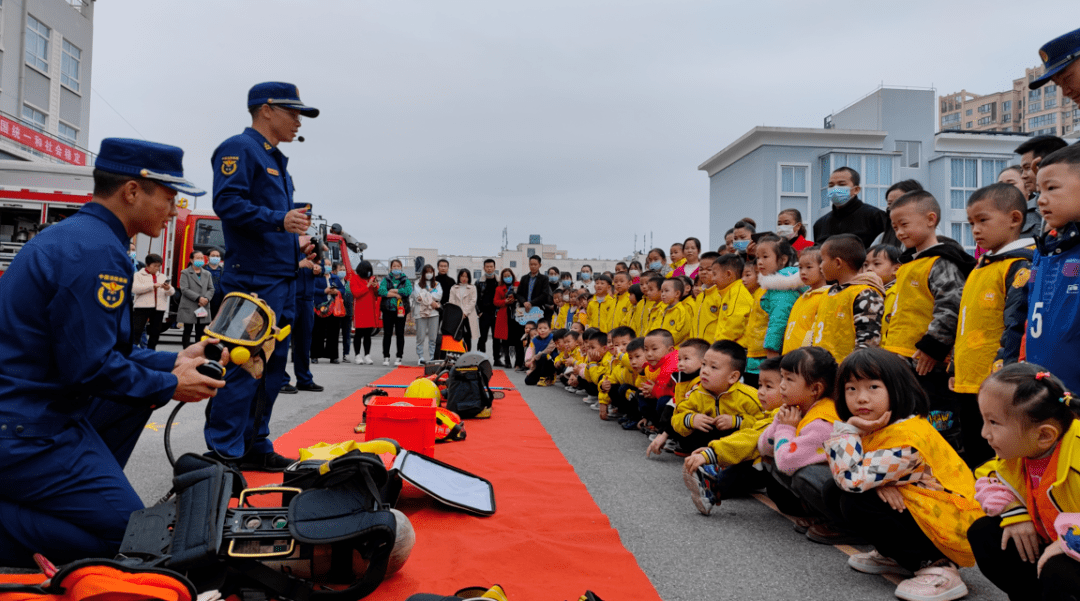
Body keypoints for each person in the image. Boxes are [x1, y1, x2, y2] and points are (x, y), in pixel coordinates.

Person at [0, 138, 224, 567]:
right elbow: (90, 368)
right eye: (170, 196)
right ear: (133, 191)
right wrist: (173, 383)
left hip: (33, 413)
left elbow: (103, 351)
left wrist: (175, 361)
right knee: (131, 538)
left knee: (144, 394)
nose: (174, 209)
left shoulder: (81, 238)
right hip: (28, 430)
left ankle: (73, 493)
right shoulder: (95, 253)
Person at [207, 81, 317, 470]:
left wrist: (295, 245)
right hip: (252, 279)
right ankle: (223, 450)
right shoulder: (240, 149)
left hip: (279, 278)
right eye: (293, 113)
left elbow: (268, 224)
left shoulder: (273, 158)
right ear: (266, 109)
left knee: (271, 369)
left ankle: (254, 443)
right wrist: (279, 219)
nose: (298, 122)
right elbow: (227, 203)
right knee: (242, 364)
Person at [829, 348, 983, 601]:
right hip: (927, 509)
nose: (861, 398)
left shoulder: (908, 438)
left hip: (952, 524)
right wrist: (878, 483)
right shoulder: (882, 426)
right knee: (836, 491)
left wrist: (847, 429)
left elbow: (850, 479)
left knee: (854, 499)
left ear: (897, 387)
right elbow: (845, 473)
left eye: (873, 387)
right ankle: (895, 554)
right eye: (851, 389)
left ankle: (937, 566)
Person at [968, 364, 1080, 600]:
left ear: (1044, 435)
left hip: (1070, 549)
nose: (984, 433)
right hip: (1054, 541)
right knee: (986, 534)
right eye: (984, 420)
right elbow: (985, 477)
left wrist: (1069, 541)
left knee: (1059, 570)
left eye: (994, 423)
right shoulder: (1020, 453)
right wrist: (1014, 511)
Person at [883, 191, 976, 453]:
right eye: (895, 227)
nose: (899, 232)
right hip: (902, 358)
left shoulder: (941, 261)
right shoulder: (910, 264)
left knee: (940, 422)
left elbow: (951, 304)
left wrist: (933, 346)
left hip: (929, 362)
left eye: (905, 224)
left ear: (930, 219)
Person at [952, 183, 1034, 467]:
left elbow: (1015, 322)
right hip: (967, 379)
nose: (975, 229)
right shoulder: (981, 266)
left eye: (983, 220)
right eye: (971, 222)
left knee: (998, 454)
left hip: (995, 380)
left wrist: (1003, 370)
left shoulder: (1020, 264)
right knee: (973, 452)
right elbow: (966, 321)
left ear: (1014, 219)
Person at [758, 347, 848, 544]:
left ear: (815, 389)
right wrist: (780, 421)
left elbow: (785, 462)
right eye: (781, 377)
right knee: (773, 458)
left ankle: (846, 525)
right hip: (837, 486)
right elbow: (764, 447)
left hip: (852, 494)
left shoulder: (823, 422)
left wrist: (785, 428)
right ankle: (824, 515)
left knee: (803, 475)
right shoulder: (802, 409)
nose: (781, 386)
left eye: (789, 380)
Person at [683, 355, 783, 516]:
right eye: (760, 385)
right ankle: (717, 473)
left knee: (746, 456)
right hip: (765, 464)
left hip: (776, 472)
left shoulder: (782, 412)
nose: (761, 392)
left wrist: (712, 452)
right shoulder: (698, 391)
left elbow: (753, 435)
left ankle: (714, 488)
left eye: (768, 387)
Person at [1026, 144, 1080, 394]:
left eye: (1052, 188)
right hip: (1048, 394)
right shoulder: (1044, 250)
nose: (1041, 200)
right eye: (1038, 191)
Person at [664, 340, 760, 456]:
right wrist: (692, 419)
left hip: (737, 448)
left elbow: (764, 423)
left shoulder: (749, 396)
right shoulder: (697, 393)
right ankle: (706, 457)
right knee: (695, 424)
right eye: (704, 364)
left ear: (733, 377)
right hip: (708, 442)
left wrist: (736, 422)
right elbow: (677, 417)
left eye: (713, 367)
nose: (704, 371)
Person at [811, 234, 884, 363]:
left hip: (848, 371)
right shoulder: (828, 293)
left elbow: (868, 342)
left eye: (822, 260)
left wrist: (854, 369)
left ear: (838, 262)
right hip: (822, 371)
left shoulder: (865, 293)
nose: (820, 266)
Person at [813, 167, 889, 249]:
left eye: (841, 184)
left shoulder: (875, 216)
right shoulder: (820, 224)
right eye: (831, 185)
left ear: (856, 189)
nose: (835, 189)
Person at [754, 236, 802, 364]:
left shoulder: (782, 288)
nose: (759, 262)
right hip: (757, 353)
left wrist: (772, 352)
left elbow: (778, 322)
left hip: (769, 355)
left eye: (765, 257)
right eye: (757, 257)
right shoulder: (768, 286)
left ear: (783, 259)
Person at [285, 236, 322, 392]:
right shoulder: (288, 244)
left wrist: (318, 270)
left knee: (304, 342)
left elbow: (322, 267)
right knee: (283, 342)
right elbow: (279, 268)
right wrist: (297, 265)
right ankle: (281, 380)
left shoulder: (312, 247)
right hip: (290, 298)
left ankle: (304, 379)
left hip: (307, 300)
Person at [1015, 135, 1069, 237]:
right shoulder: (1020, 213)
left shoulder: (1072, 209)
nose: (1023, 176)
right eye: (1022, 170)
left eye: (1027, 168)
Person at [782, 246, 826, 354]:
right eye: (800, 267)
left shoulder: (826, 296)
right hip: (790, 356)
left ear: (823, 267)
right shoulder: (801, 297)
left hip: (805, 358)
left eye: (809, 267)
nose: (803, 272)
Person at [131, 253, 174, 350]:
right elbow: (134, 289)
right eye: (154, 266)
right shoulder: (138, 275)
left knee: (155, 332)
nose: (157, 268)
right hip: (142, 307)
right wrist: (152, 286)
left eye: (158, 266)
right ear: (148, 264)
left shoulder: (162, 276)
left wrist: (168, 288)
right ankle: (133, 351)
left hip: (159, 307)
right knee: (137, 330)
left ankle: (151, 351)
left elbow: (171, 292)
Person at [710, 254, 754, 344]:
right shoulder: (730, 293)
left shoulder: (738, 292)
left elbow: (735, 323)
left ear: (729, 274)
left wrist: (719, 344)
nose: (712, 279)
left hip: (736, 348)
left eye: (715, 274)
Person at [379, 259, 413, 366]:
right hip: (388, 310)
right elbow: (381, 291)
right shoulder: (386, 279)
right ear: (391, 268)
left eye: (398, 266)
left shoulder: (405, 279)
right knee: (387, 334)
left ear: (401, 268)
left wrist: (394, 290)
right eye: (394, 266)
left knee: (400, 334)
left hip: (401, 311)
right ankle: (386, 356)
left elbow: (408, 291)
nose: (396, 268)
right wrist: (396, 295)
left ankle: (399, 356)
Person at [177, 250, 215, 348]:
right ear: (191, 260)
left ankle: (199, 351)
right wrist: (198, 298)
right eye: (197, 258)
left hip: (203, 306)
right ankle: (186, 351)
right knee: (187, 331)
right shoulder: (185, 272)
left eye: (202, 258)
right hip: (190, 306)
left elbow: (211, 288)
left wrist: (206, 298)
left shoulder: (207, 273)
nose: (200, 260)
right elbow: (184, 289)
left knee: (201, 333)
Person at [411, 263, 442, 365]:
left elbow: (438, 296)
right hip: (420, 313)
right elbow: (418, 296)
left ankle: (432, 357)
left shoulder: (437, 284)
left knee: (432, 338)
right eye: (427, 272)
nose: (429, 274)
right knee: (420, 337)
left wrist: (426, 297)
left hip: (434, 314)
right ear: (423, 273)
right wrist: (431, 301)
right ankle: (420, 357)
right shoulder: (417, 284)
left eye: (431, 272)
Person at [880, 179, 924, 248]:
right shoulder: (883, 236)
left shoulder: (930, 235)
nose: (894, 208)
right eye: (890, 203)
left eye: (900, 202)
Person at [350, 260, 379, 365]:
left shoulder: (371, 279)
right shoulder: (354, 279)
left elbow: (377, 294)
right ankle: (357, 355)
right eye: (366, 270)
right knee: (358, 334)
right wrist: (367, 286)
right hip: (359, 311)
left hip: (370, 310)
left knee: (368, 335)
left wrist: (375, 286)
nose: (368, 273)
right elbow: (356, 293)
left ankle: (367, 355)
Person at [494, 268, 520, 368]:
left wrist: (515, 298)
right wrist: (505, 301)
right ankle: (507, 361)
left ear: (512, 275)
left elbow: (522, 296)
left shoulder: (518, 284)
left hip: (517, 315)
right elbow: (495, 301)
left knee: (518, 339)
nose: (507, 278)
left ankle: (518, 362)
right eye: (505, 276)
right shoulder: (499, 288)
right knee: (505, 339)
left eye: (508, 275)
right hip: (504, 316)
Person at [517, 255, 552, 323]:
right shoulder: (524, 278)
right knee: (523, 328)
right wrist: (524, 302)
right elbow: (518, 294)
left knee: (535, 329)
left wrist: (531, 303)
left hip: (537, 309)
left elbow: (544, 294)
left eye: (535, 264)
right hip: (523, 309)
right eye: (531, 264)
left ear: (540, 265)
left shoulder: (544, 278)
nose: (533, 266)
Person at [433, 259, 456, 360]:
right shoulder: (433, 280)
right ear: (437, 267)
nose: (443, 268)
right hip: (434, 309)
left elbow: (454, 296)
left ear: (447, 268)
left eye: (445, 266)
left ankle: (444, 355)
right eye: (441, 266)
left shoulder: (452, 281)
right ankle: (434, 355)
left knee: (446, 334)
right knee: (433, 334)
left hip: (447, 310)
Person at [476, 259, 499, 355]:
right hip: (484, 314)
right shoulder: (478, 282)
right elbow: (475, 299)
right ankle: (480, 356)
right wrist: (479, 312)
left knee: (497, 337)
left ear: (494, 267)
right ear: (484, 268)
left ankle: (497, 358)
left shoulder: (499, 282)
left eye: (491, 267)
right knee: (482, 337)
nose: (489, 269)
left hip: (496, 313)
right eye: (487, 267)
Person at [205, 247, 226, 318]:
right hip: (205, 299)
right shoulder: (202, 270)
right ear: (208, 257)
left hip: (219, 300)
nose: (215, 258)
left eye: (217, 256)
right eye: (213, 256)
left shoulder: (223, 271)